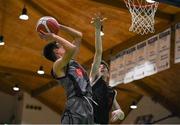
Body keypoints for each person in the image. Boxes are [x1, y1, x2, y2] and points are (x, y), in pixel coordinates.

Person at [38, 22, 94, 124]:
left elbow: (78, 36)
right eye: (61, 46)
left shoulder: (71, 61)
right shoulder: (57, 66)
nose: (64, 46)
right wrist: (54, 36)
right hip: (75, 105)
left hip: (88, 104)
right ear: (56, 52)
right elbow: (72, 48)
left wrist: (58, 26)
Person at [89, 14, 125, 124]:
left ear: (108, 74)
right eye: (99, 65)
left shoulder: (112, 92)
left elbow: (121, 113)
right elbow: (98, 52)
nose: (102, 66)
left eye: (105, 66)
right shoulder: (93, 79)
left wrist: (120, 113)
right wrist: (97, 29)